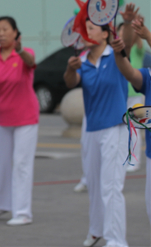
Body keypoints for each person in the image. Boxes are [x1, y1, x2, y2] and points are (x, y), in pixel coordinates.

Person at [64, 16, 131, 247]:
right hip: (92, 129)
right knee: (93, 183)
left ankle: (116, 239)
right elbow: (71, 82)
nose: (86, 32)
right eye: (84, 29)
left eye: (91, 28)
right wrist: (69, 69)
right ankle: (96, 230)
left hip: (116, 127)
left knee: (111, 186)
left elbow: (128, 44)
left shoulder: (115, 55)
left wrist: (128, 24)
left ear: (105, 34)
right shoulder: (81, 60)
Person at [0, 16, 38, 226]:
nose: (1, 33)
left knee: (21, 164)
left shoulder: (25, 53)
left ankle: (23, 212)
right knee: (0, 164)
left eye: (5, 29)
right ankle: (3, 204)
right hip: (1, 119)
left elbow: (31, 63)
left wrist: (20, 50)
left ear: (15, 32)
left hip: (26, 118)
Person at [113, 13, 151, 226]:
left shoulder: (142, 47)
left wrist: (146, 35)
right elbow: (129, 72)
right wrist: (119, 51)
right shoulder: (148, 75)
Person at [119, 21, 146, 173]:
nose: (122, 33)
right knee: (124, 129)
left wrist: (133, 22)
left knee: (134, 128)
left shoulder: (136, 48)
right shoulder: (119, 52)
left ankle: (135, 161)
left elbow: (134, 39)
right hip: (122, 94)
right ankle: (126, 157)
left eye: (125, 30)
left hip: (135, 94)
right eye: (121, 30)